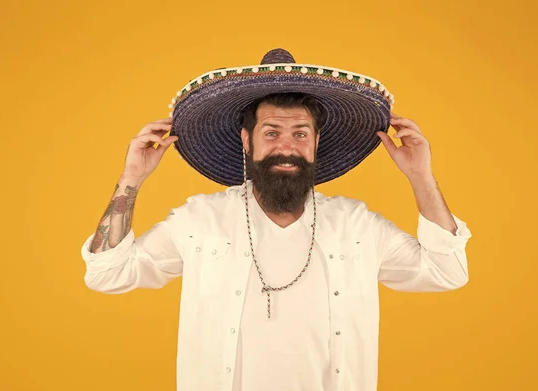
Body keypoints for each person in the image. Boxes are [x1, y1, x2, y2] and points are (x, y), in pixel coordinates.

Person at [81, 49, 472, 391]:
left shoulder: (357, 225)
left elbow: (447, 271)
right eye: (272, 132)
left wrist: (420, 176)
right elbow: (107, 273)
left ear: (316, 143)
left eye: (300, 133)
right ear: (247, 141)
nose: (287, 146)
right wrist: (131, 178)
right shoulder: (200, 220)